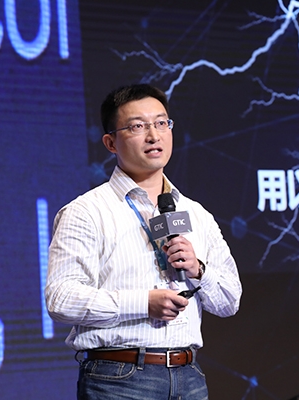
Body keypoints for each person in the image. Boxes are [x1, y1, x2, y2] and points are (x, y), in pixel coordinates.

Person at [45, 83, 242, 400]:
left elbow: (229, 301)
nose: (154, 135)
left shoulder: (196, 213)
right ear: (111, 142)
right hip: (119, 379)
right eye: (138, 126)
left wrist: (198, 269)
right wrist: (143, 303)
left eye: (161, 123)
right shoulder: (86, 212)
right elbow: (61, 299)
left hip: (189, 377)